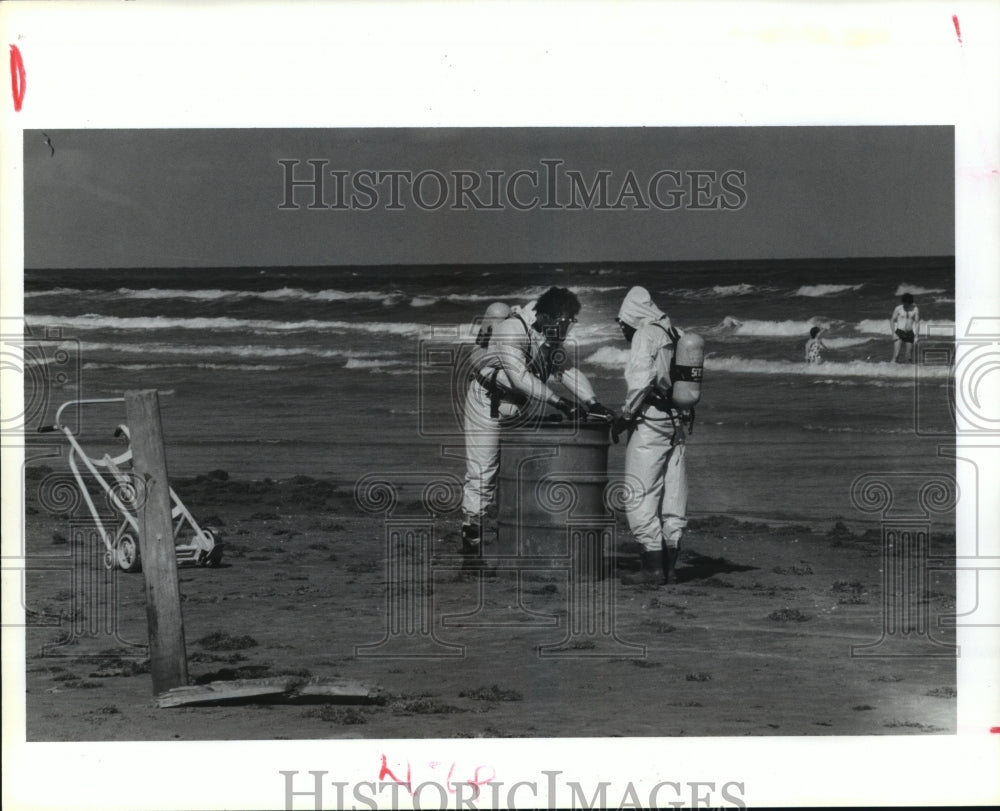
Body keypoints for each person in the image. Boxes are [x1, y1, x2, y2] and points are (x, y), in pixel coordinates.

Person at [461, 287, 614, 556]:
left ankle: (511, 536)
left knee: (516, 473)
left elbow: (565, 370)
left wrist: (593, 403)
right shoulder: (512, 329)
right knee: (483, 474)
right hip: (487, 401)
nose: (563, 332)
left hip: (518, 404)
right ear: (544, 316)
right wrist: (560, 403)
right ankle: (471, 548)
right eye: (560, 324)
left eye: (569, 324)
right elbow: (519, 378)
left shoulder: (549, 330)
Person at [610, 286, 691, 585]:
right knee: (673, 494)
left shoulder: (645, 335)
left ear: (631, 317)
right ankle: (670, 566)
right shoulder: (677, 333)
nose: (621, 329)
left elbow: (641, 380)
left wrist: (625, 416)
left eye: (621, 323)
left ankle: (653, 568)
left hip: (651, 421)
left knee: (640, 493)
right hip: (676, 422)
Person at [889, 293, 920, 363]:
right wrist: (893, 333)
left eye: (908, 304)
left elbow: (917, 323)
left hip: (909, 333)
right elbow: (892, 320)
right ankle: (890, 371)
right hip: (899, 332)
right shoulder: (898, 308)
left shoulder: (915, 309)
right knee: (896, 355)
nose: (906, 305)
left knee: (908, 356)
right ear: (903, 302)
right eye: (905, 303)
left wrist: (917, 336)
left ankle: (907, 373)